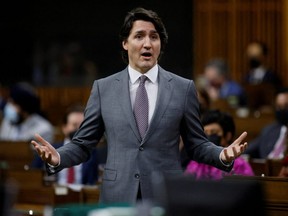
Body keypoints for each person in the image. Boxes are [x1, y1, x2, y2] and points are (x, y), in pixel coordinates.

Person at [31, 7, 248, 204]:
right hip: (118, 194)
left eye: (154, 37)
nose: (147, 43)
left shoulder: (183, 88)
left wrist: (222, 155)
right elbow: (83, 144)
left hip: (166, 194)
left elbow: (197, 144)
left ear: (160, 44)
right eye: (139, 36)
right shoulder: (103, 88)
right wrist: (58, 157)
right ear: (125, 43)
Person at [31, 104, 99, 185]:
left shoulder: (93, 152)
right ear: (64, 127)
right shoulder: (50, 149)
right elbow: (34, 174)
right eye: (74, 125)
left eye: (82, 126)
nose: (79, 129)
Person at [185, 109, 254, 180]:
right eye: (205, 133)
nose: (209, 136)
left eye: (213, 132)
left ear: (227, 136)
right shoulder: (198, 162)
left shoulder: (239, 165)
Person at [244, 87, 288, 159]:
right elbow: (249, 149)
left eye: (286, 106)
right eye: (279, 107)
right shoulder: (269, 130)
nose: (282, 110)